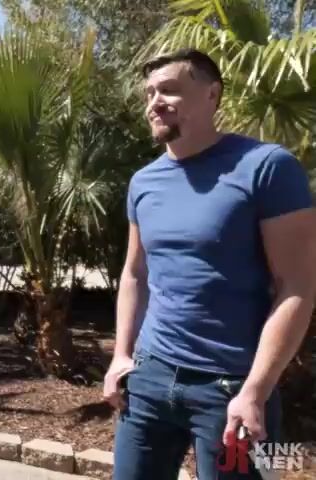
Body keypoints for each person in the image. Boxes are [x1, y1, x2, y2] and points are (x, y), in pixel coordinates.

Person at [103, 48, 315, 479]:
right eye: (149, 93)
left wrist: (256, 390)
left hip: (232, 389)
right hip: (148, 379)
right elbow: (135, 273)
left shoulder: (267, 167)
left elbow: (297, 285)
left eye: (169, 90)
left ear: (212, 94)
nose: (154, 102)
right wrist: (121, 356)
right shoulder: (143, 182)